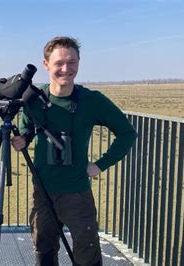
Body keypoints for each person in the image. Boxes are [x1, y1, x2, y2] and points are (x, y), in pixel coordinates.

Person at [11, 36, 137, 266]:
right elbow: (26, 127)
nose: (66, 69)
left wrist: (100, 165)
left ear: (79, 63)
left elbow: (127, 133)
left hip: (77, 193)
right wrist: (22, 140)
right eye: (59, 63)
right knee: (44, 250)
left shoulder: (91, 100)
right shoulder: (33, 100)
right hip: (43, 190)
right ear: (46, 64)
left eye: (72, 62)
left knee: (87, 253)